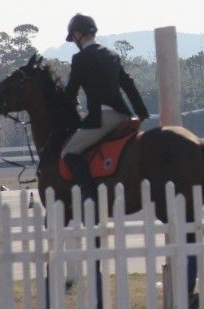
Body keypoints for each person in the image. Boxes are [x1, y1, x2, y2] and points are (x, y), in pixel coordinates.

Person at [61, 13, 150, 202]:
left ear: (78, 34)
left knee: (69, 152)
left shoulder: (80, 58)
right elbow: (128, 84)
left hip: (102, 118)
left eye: (74, 36)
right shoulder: (112, 54)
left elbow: (70, 94)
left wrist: (66, 113)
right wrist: (141, 111)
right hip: (124, 117)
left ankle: (89, 196)